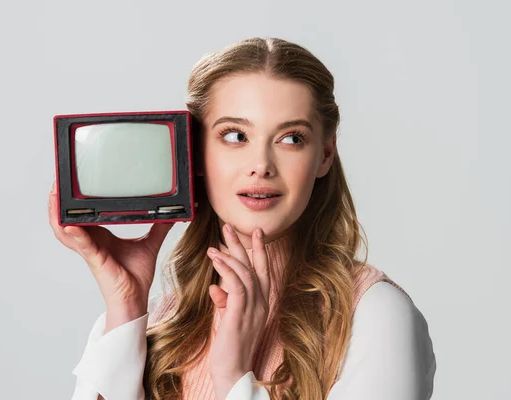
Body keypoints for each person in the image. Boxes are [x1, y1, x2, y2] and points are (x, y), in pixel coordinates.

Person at [48, 37, 436, 400]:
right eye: (234, 136)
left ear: (325, 154)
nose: (261, 165)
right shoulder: (169, 318)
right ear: (195, 153)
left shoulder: (376, 315)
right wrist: (127, 307)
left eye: (291, 138)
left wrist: (234, 376)